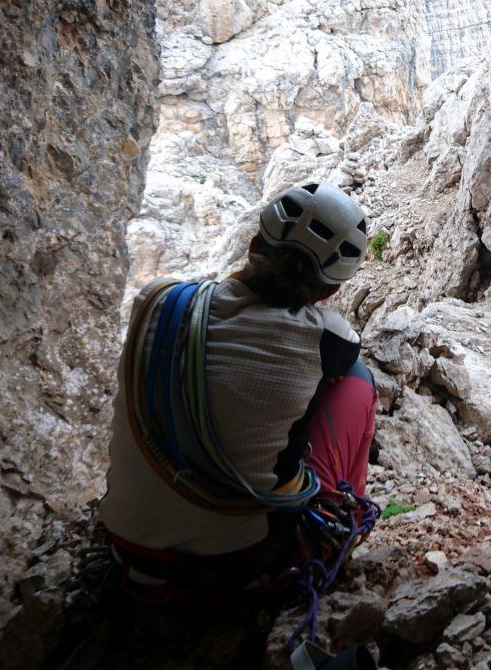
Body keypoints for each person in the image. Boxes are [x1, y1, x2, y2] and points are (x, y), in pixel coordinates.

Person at [98, 182, 378, 608]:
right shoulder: (331, 340)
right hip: (241, 566)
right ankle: (342, 522)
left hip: (130, 549)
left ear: (252, 245)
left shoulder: (155, 299)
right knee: (356, 382)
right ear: (331, 291)